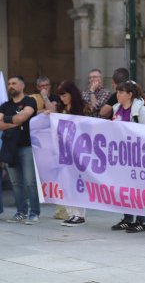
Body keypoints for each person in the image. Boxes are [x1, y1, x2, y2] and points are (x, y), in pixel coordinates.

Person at [109, 80, 145, 233]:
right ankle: (127, 218)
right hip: (123, 155)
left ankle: (141, 221)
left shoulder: (141, 110)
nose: (118, 95)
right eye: (117, 92)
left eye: (121, 92)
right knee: (125, 187)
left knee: (139, 188)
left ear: (129, 94)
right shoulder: (117, 109)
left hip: (138, 154)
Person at [0, 76, 39, 224]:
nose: (11, 86)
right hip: (10, 147)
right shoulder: (5, 105)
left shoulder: (30, 101)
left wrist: (8, 120)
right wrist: (16, 121)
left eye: (14, 83)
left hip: (26, 146)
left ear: (22, 86)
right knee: (16, 183)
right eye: (9, 83)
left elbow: (24, 116)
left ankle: (34, 213)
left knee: (30, 182)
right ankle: (21, 212)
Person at [51, 81, 90, 226]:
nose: (62, 99)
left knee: (77, 182)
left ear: (72, 94)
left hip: (78, 149)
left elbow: (89, 127)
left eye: (64, 95)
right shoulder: (60, 109)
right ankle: (71, 213)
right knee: (65, 182)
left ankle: (79, 215)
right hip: (63, 150)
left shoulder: (83, 108)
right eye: (60, 96)